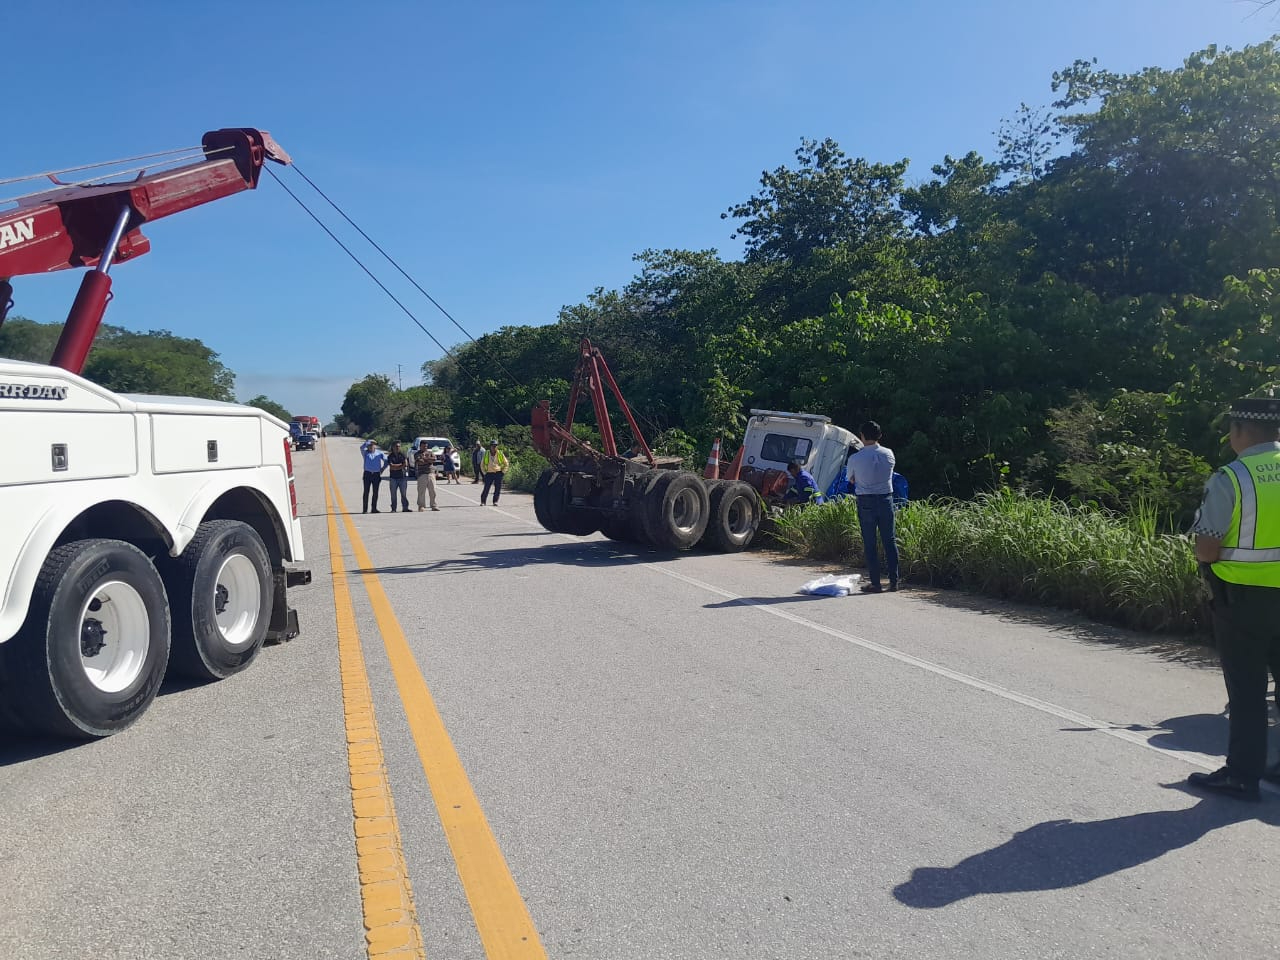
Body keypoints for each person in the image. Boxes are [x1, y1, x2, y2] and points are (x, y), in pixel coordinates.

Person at [1186, 396, 1280, 801]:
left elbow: (1207, 549)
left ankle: (1242, 776)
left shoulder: (1233, 477)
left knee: (1247, 690)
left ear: (1240, 431)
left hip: (1242, 598)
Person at [846, 420, 899, 593]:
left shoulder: (855, 458)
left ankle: (875, 583)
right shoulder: (889, 453)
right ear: (880, 436)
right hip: (885, 499)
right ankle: (894, 581)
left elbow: (851, 479)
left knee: (870, 543)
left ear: (861, 436)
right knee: (889, 541)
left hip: (865, 500)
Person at [360, 439, 388, 514]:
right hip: (367, 474)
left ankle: (374, 508)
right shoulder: (365, 453)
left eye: (372, 445)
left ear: (374, 446)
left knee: (375, 492)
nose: (370, 447)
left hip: (376, 474)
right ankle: (365, 509)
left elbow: (386, 461)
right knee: (366, 492)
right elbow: (361, 448)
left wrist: (383, 468)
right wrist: (368, 441)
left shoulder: (379, 453)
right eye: (369, 445)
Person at [480, 440, 510, 505]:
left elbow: (506, 463)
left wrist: (503, 472)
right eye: (493, 446)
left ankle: (495, 501)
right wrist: (484, 473)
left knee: (498, 488)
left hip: (498, 473)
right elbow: (482, 464)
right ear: (490, 446)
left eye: (495, 446)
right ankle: (483, 501)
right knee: (486, 488)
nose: (494, 447)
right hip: (489, 473)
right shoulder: (486, 453)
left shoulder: (500, 453)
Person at [385, 441, 410, 513]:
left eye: (399, 446)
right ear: (393, 447)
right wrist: (400, 466)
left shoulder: (403, 455)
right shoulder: (390, 456)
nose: (398, 448)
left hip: (402, 477)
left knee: (404, 494)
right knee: (393, 495)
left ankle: (405, 508)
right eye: (396, 446)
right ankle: (393, 508)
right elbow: (391, 467)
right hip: (393, 478)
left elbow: (405, 464)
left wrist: (397, 466)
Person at [415, 441, 440, 511]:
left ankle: (433, 505)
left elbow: (434, 459)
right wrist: (428, 460)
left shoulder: (430, 453)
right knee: (421, 491)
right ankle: (421, 506)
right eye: (423, 446)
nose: (425, 447)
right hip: (422, 474)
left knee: (433, 491)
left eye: (426, 446)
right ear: (420, 446)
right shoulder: (417, 454)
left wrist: (425, 459)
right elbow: (420, 462)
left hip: (431, 473)